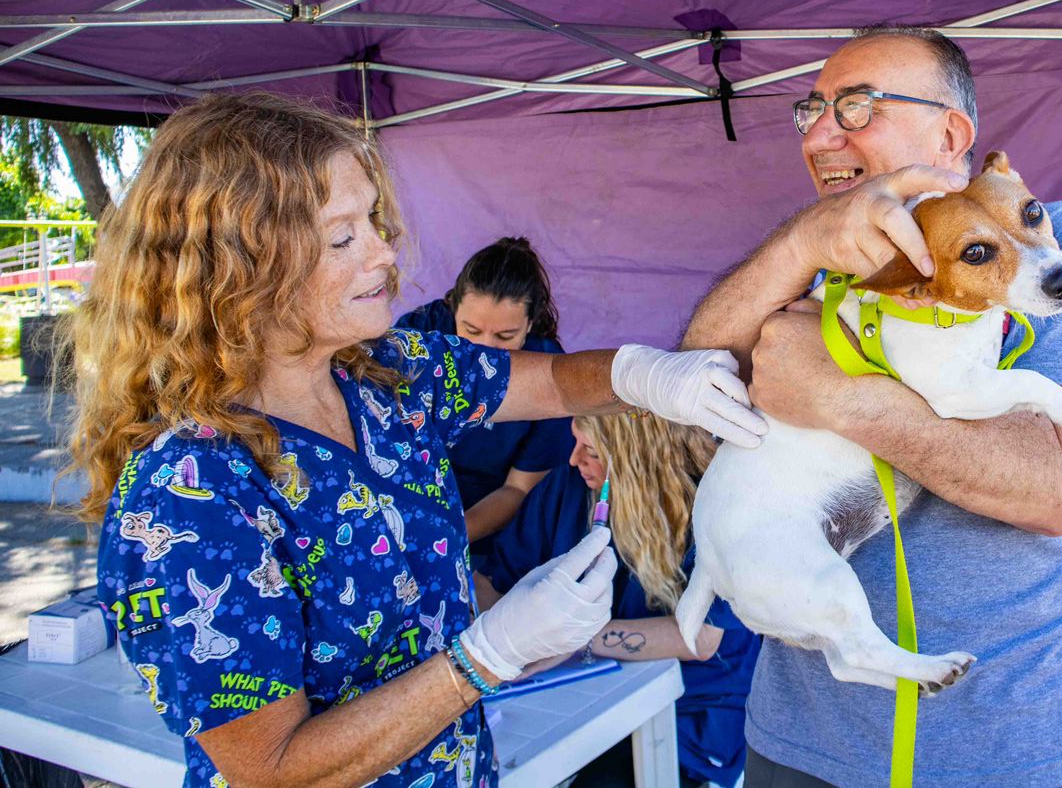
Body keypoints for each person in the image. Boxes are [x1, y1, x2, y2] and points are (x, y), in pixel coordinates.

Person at [72, 92, 765, 788]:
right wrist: (485, 657)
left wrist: (642, 374)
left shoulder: (387, 375)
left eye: (373, 220)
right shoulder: (189, 488)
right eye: (342, 238)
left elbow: (554, 381)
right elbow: (271, 770)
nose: (384, 252)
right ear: (241, 269)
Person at [682, 26, 1062, 788]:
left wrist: (837, 396)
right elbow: (694, 383)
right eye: (812, 111)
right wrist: (801, 246)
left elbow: (1054, 490)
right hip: (803, 738)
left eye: (856, 108)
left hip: (1006, 744)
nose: (819, 135)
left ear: (950, 134)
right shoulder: (821, 263)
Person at [477, 412, 760, 788]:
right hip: (571, 695)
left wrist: (571, 636)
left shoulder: (714, 503)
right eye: (575, 441)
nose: (574, 459)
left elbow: (701, 639)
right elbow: (491, 578)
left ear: (634, 453)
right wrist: (502, 631)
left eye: (591, 451)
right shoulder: (567, 487)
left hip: (686, 711)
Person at [396, 237, 574, 549]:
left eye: (505, 336)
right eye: (471, 330)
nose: (483, 352)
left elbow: (517, 490)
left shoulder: (550, 373)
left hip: (482, 531)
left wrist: (445, 540)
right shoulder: (420, 334)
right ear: (452, 309)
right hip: (404, 507)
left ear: (530, 324)